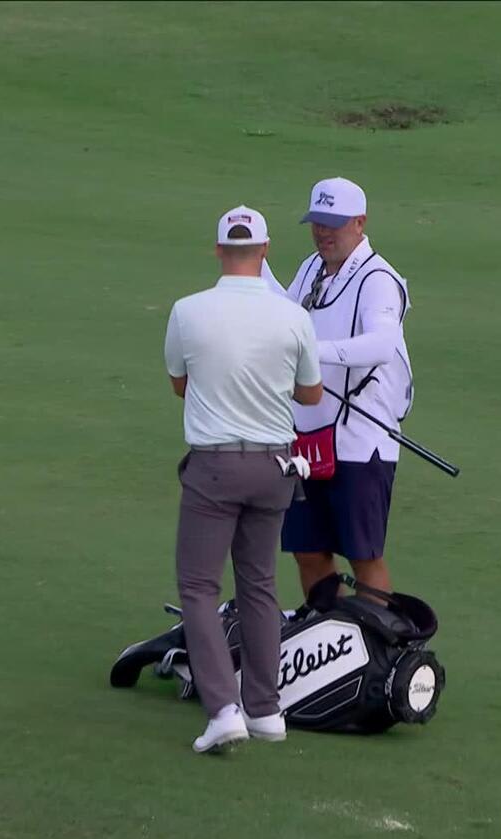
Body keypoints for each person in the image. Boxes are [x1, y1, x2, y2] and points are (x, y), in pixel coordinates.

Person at [163, 205, 323, 753]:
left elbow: (180, 385)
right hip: (275, 466)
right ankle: (265, 709)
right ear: (265, 251)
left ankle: (224, 710)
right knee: (258, 586)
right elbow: (311, 394)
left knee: (199, 587)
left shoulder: (188, 311)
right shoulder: (293, 316)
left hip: (215, 466)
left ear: (217, 251)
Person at [279, 177, 414, 600]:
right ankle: (331, 641)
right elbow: (284, 317)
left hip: (361, 440)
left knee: (363, 554)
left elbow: (382, 343)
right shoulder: (310, 268)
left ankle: (377, 652)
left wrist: (315, 352)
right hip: (307, 437)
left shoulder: (378, 279)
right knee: (307, 549)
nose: (322, 232)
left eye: (332, 223)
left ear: (360, 223)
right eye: (316, 222)